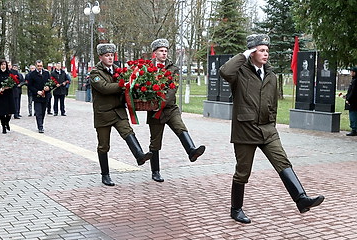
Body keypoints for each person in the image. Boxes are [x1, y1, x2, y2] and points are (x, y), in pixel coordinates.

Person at [219, 34, 324, 224]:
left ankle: (301, 199)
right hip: (245, 129)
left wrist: (272, 125)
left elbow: (273, 104)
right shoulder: (240, 72)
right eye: (261, 50)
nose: (266, 53)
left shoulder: (271, 76)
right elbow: (225, 72)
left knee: (282, 161)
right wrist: (243, 55)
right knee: (243, 171)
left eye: (267, 50)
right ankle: (236, 209)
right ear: (252, 52)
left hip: (267, 130)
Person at [90, 43, 152, 186]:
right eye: (107, 55)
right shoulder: (95, 73)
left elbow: (128, 84)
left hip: (118, 110)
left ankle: (139, 156)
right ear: (100, 57)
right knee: (103, 146)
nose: (110, 58)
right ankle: (105, 175)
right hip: (103, 113)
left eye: (112, 55)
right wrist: (123, 84)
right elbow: (104, 88)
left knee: (128, 132)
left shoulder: (118, 70)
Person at [147, 38, 205, 183]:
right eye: (161, 51)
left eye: (166, 51)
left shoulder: (173, 69)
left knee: (180, 127)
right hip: (154, 110)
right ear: (154, 53)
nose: (164, 53)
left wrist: (162, 102)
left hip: (170, 108)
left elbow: (173, 89)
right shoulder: (147, 68)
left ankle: (191, 151)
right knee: (155, 141)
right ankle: (155, 172)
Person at [0, 60, 16, 134]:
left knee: (10, 111)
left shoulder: (10, 73)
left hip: (9, 94)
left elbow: (14, 83)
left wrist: (9, 86)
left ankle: (7, 122)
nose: (3, 66)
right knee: (2, 112)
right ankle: (3, 127)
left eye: (4, 64)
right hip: (0, 95)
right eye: (2, 64)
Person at [27, 60, 51, 133]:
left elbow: (50, 83)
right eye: (38, 66)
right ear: (36, 66)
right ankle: (40, 126)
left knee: (43, 112)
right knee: (38, 112)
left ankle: (41, 123)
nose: (40, 67)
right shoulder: (32, 74)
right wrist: (37, 91)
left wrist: (48, 88)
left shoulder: (46, 73)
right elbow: (30, 86)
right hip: (37, 96)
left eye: (41, 66)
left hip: (45, 96)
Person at [345, 66, 357, 136]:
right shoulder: (354, 80)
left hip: (353, 102)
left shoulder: (355, 81)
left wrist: (348, 99)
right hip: (353, 101)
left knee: (353, 115)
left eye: (351, 72)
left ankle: (354, 129)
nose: (350, 73)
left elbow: (353, 92)